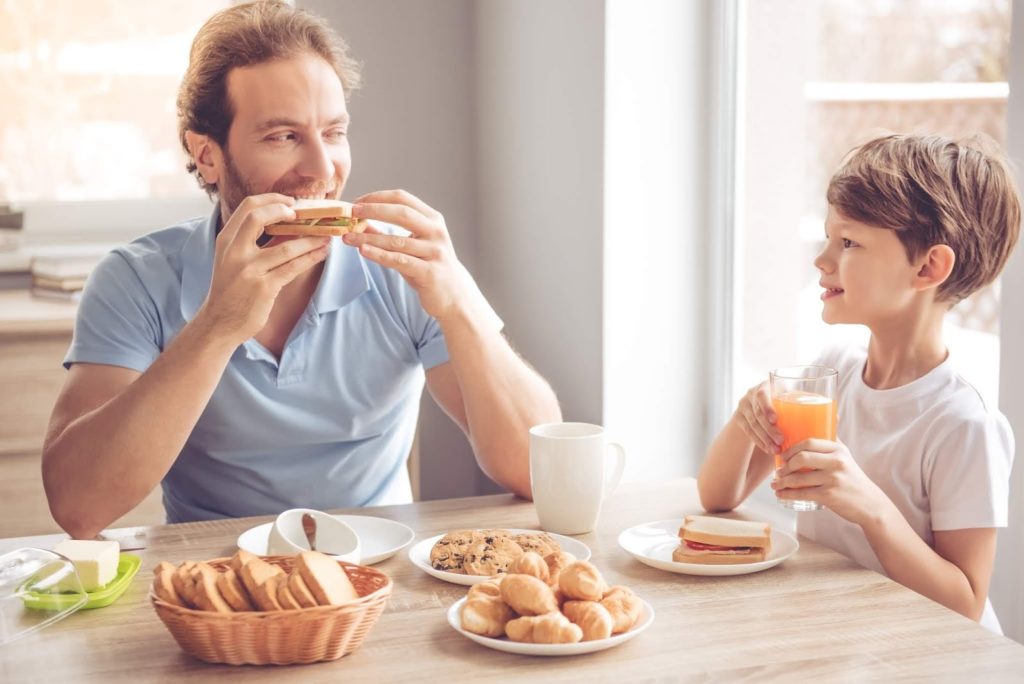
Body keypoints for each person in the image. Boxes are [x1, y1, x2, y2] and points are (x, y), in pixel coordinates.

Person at [41, 1, 561, 537]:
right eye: (283, 136)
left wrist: (461, 307)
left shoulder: (400, 264)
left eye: (333, 133)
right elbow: (79, 506)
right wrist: (219, 324)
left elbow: (540, 474)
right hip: (218, 579)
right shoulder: (136, 279)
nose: (321, 169)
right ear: (207, 155)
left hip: (381, 573)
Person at [697, 133, 1020, 633]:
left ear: (928, 267)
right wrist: (746, 418)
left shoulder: (963, 424)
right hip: (846, 636)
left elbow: (966, 605)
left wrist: (869, 506)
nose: (822, 260)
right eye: (829, 238)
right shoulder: (833, 373)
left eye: (848, 242)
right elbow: (718, 498)